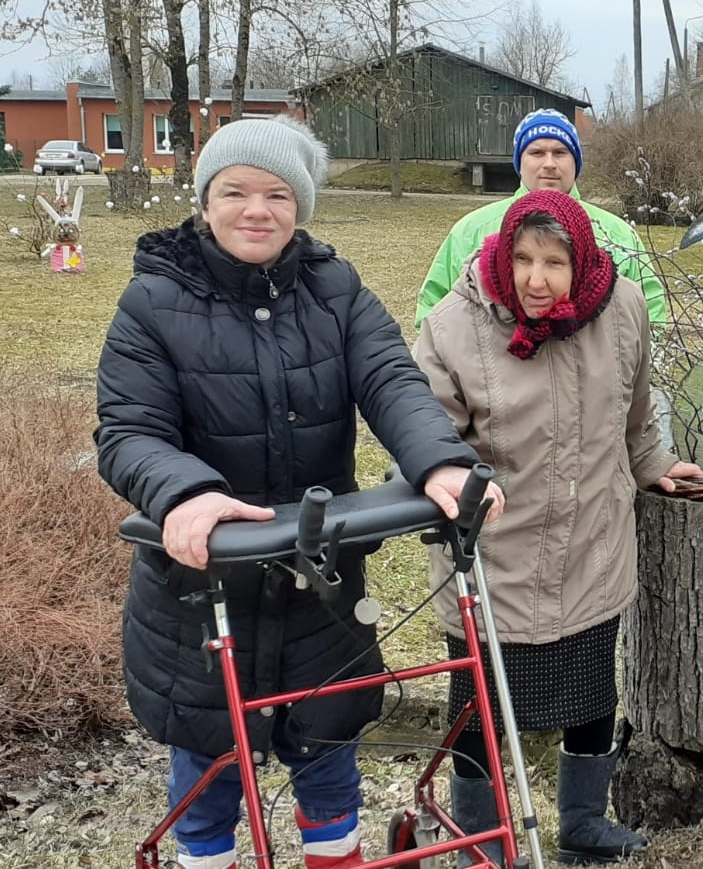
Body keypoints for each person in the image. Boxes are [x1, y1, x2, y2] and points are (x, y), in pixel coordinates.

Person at [95, 114, 500, 869]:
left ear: (300, 206)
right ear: (205, 200)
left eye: (278, 194)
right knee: (213, 760)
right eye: (235, 191)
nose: (257, 210)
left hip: (322, 583)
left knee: (328, 749)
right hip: (205, 587)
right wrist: (185, 495)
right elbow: (128, 431)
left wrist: (441, 462)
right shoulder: (151, 304)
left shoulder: (336, 289)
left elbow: (391, 380)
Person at [414, 188, 703, 865]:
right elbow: (425, 429)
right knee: (480, 712)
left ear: (583, 263)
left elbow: (634, 409)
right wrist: (447, 486)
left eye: (553, 262)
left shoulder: (624, 307)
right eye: (523, 259)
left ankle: (583, 822)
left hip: (591, 537)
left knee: (591, 690)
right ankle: (480, 840)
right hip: (493, 552)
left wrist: (651, 461)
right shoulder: (455, 324)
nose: (535, 280)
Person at [415, 108, 666, 329]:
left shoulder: (618, 235)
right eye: (536, 152)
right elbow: (433, 313)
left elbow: (650, 315)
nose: (549, 164)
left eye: (560, 152)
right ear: (519, 163)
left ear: (576, 162)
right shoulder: (471, 231)